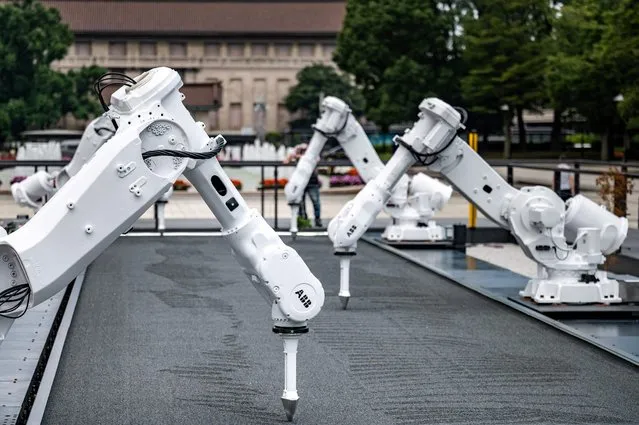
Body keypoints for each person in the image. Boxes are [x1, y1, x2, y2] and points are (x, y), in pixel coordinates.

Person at [284, 144, 322, 227]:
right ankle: (304, 220)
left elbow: (317, 159)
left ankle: (317, 220)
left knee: (316, 202)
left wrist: (304, 153)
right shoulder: (298, 156)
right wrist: (297, 151)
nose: (305, 151)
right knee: (301, 203)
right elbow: (286, 160)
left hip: (312, 181)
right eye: (303, 150)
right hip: (300, 183)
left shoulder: (312, 156)